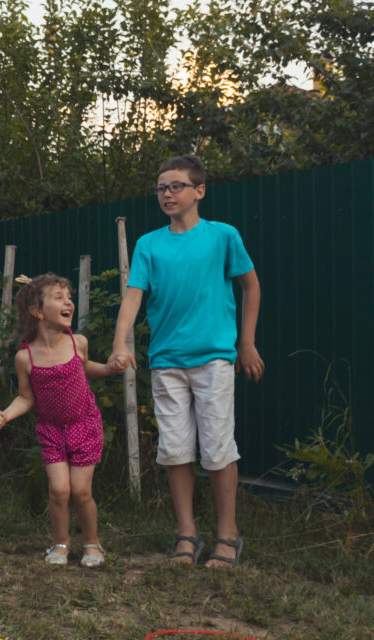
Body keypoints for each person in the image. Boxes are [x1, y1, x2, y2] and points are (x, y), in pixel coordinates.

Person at [109, 154, 264, 568]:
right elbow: (133, 296)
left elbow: (250, 287)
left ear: (199, 190)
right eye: (161, 187)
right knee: (175, 449)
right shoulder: (149, 244)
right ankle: (187, 534)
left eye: (176, 185)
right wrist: (120, 341)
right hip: (166, 361)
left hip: (214, 358)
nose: (166, 193)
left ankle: (228, 536)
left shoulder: (222, 236)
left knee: (216, 447)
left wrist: (246, 343)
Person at [0, 274, 123, 567]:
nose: (68, 302)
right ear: (37, 311)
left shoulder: (78, 343)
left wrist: (111, 368)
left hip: (84, 424)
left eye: (68, 296)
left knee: (81, 491)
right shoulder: (26, 358)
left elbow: (86, 368)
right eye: (58, 297)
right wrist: (5, 415)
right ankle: (60, 544)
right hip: (51, 430)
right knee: (59, 491)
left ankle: (92, 544)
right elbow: (25, 397)